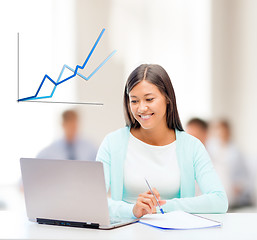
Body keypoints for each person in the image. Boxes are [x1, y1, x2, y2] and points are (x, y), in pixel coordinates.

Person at [96, 64, 228, 219]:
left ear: (167, 99)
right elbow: (95, 202)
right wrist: (132, 210)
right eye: (134, 101)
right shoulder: (112, 143)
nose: (141, 108)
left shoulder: (191, 147)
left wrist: (161, 206)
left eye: (149, 99)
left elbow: (219, 200)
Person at [207, 120, 253, 209]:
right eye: (218, 130)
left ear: (228, 132)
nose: (221, 133)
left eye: (223, 131)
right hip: (218, 191)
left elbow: (245, 177)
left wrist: (238, 187)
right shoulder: (212, 148)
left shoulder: (236, 152)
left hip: (234, 195)